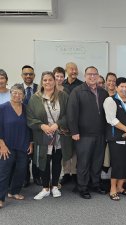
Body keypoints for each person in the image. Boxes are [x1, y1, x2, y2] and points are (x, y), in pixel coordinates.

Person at [27, 71, 72, 200]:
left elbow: (69, 114)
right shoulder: (35, 98)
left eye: (50, 80)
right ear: (42, 82)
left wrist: (57, 124)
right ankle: (45, 188)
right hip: (42, 135)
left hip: (59, 135)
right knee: (44, 161)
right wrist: (42, 126)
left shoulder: (63, 96)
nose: (48, 82)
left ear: (55, 81)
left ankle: (55, 186)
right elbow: (30, 117)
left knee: (57, 161)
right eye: (45, 80)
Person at [67, 66, 108, 199]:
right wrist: (74, 131)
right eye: (89, 74)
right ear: (85, 76)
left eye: (95, 74)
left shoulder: (103, 92)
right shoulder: (77, 91)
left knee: (97, 161)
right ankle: (82, 187)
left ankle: (95, 184)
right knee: (83, 162)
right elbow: (71, 113)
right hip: (83, 134)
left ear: (98, 76)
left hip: (100, 134)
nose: (92, 76)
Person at [103, 77, 126, 201]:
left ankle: (120, 187)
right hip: (115, 138)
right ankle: (112, 189)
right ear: (116, 88)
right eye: (121, 86)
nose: (124, 89)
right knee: (117, 164)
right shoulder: (110, 100)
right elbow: (111, 119)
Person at [0, 84, 33, 208]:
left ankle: (14, 192)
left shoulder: (26, 109)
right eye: (14, 93)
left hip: (23, 145)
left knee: (21, 170)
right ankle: (0, 198)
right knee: (3, 172)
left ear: (23, 96)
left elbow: (30, 127)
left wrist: (30, 142)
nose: (17, 95)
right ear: (11, 93)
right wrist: (1, 145)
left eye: (20, 93)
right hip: (6, 146)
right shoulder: (2, 108)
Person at [61, 62, 83, 185]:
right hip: (63, 122)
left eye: (75, 69)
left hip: (77, 121)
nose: (74, 71)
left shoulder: (81, 85)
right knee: (65, 148)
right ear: (66, 70)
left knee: (75, 149)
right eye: (71, 69)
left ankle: (74, 173)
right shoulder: (61, 84)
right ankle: (66, 173)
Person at [21, 65, 41, 187]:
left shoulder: (39, 89)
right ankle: (25, 178)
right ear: (22, 75)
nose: (28, 76)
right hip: (22, 126)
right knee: (24, 153)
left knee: (36, 154)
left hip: (37, 126)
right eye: (25, 74)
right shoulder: (17, 89)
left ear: (34, 75)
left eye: (30, 74)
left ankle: (37, 176)